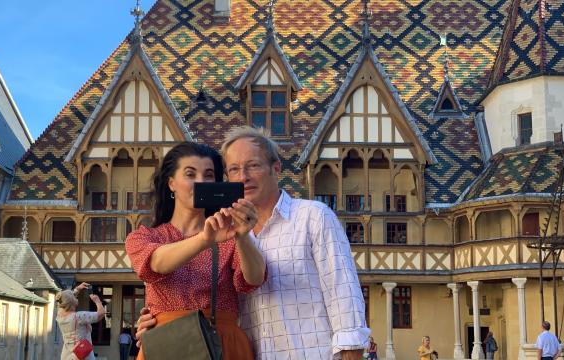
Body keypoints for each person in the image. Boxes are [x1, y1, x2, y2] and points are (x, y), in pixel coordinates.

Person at [135, 127, 370, 359]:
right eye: (234, 169)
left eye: (253, 165)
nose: (243, 176)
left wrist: (351, 350)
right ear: (171, 182)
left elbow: (342, 289)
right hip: (217, 348)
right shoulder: (210, 232)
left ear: (275, 168)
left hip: (306, 352)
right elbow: (156, 264)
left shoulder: (312, 217)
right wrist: (158, 320)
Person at [125, 142, 266, 360]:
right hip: (168, 342)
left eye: (209, 175)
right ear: (171, 183)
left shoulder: (229, 235)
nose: (201, 182)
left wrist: (243, 235)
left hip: (222, 342)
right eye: (190, 174)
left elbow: (254, 278)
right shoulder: (145, 237)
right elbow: (157, 263)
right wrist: (204, 239)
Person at [55, 282, 105, 360]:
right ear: (73, 302)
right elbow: (101, 314)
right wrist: (97, 301)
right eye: (75, 298)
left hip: (67, 355)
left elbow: (65, 300)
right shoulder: (79, 317)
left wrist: (77, 289)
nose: (76, 298)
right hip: (83, 354)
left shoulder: (59, 315)